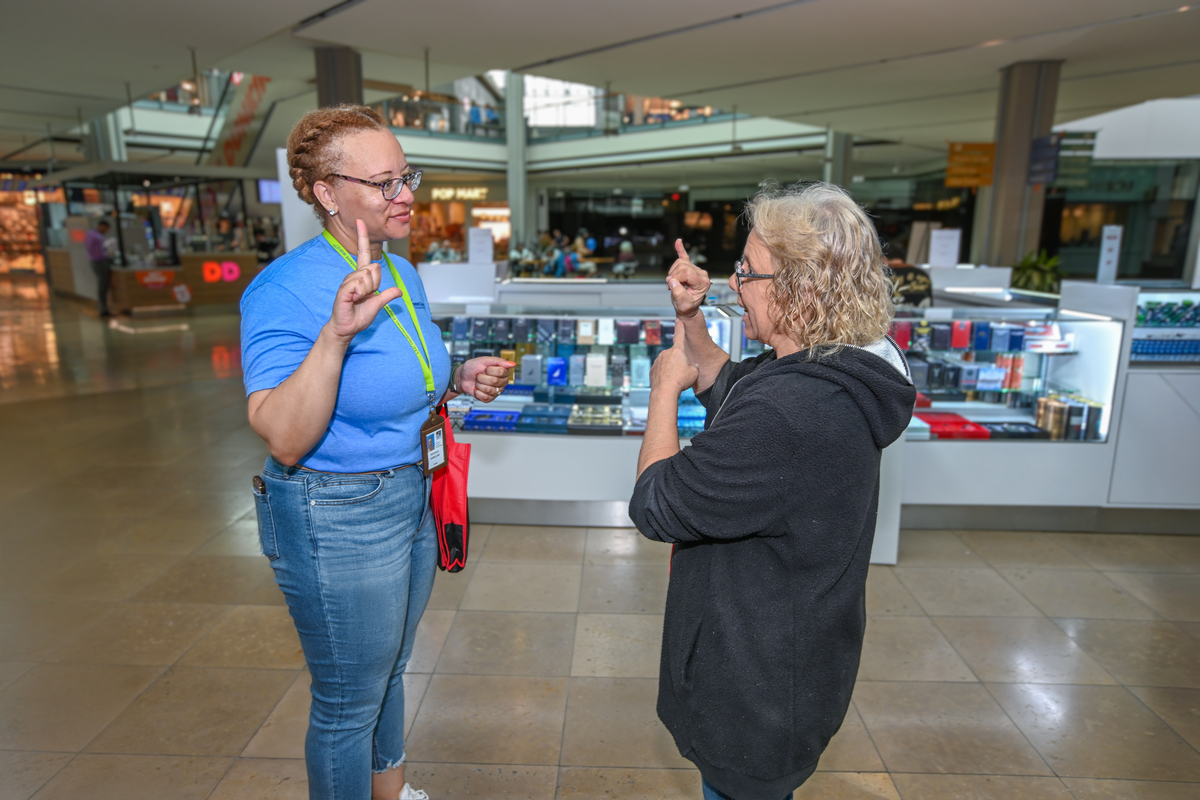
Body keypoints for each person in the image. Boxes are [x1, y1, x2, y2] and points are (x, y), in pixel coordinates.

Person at [240, 105, 514, 800]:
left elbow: (395, 380)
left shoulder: (402, 269)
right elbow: (282, 432)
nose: (407, 197)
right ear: (327, 193)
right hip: (338, 511)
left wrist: (454, 379)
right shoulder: (283, 289)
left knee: (389, 667)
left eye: (408, 177)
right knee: (346, 702)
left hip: (410, 494)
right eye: (385, 183)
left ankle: (389, 793)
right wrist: (334, 337)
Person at [628, 181, 915, 800]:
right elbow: (731, 386)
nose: (735, 283)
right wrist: (690, 319)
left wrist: (661, 392)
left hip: (754, 692)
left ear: (799, 288)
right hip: (790, 666)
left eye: (748, 273)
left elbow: (656, 503)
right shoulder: (828, 367)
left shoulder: (791, 412)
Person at [85, 219, 114, 317]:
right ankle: (103, 309)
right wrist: (107, 255)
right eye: (106, 229)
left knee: (102, 286)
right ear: (102, 226)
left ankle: (103, 308)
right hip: (99, 262)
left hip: (95, 262)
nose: (106, 231)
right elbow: (99, 253)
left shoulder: (91, 234)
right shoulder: (96, 236)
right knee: (103, 286)